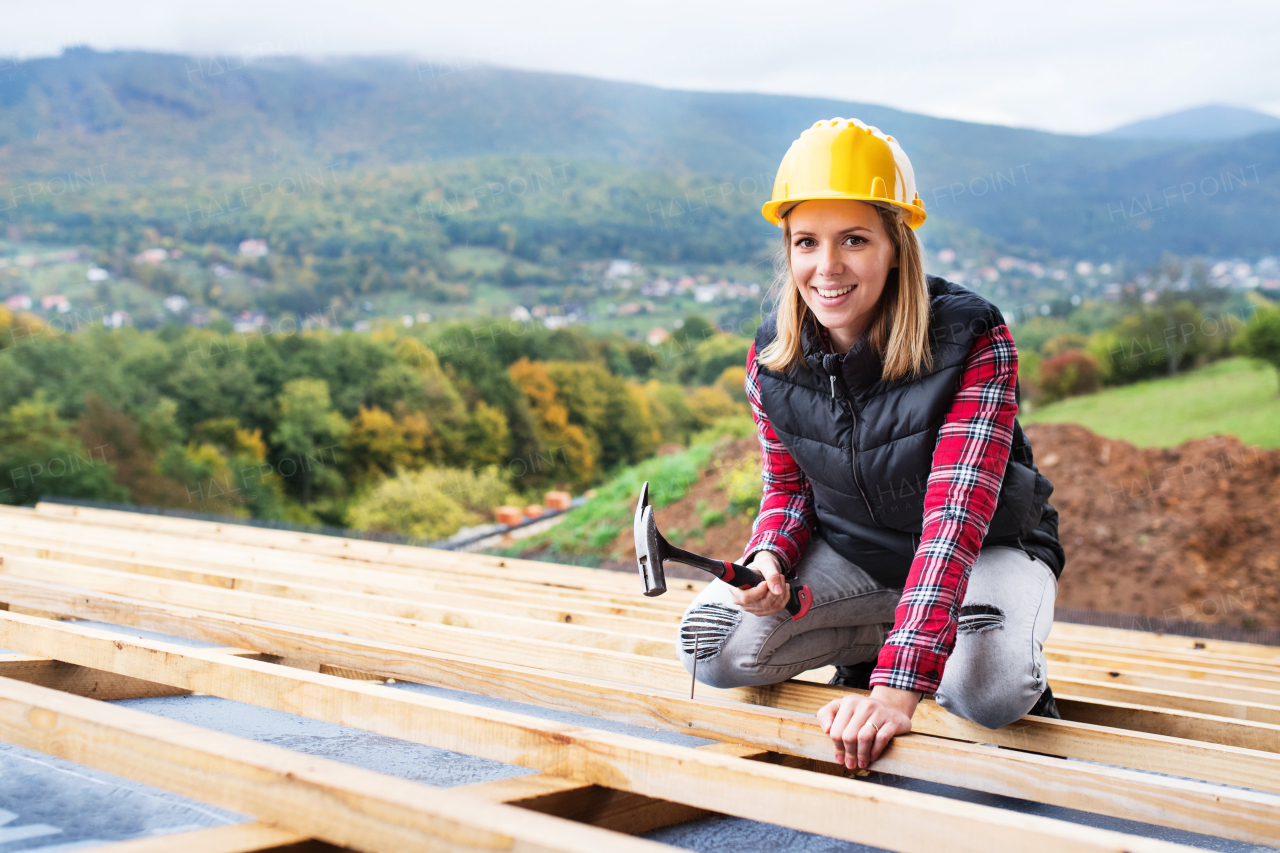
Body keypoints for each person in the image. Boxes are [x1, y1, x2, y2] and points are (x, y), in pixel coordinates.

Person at [676, 118, 1065, 774]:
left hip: (983, 548)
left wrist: (894, 692)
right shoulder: (772, 357)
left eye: (853, 239)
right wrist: (770, 556)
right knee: (710, 647)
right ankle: (884, 639)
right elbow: (789, 486)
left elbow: (951, 526)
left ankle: (932, 650)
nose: (826, 267)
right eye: (806, 242)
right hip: (857, 550)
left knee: (987, 690)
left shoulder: (972, 338)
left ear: (895, 244)